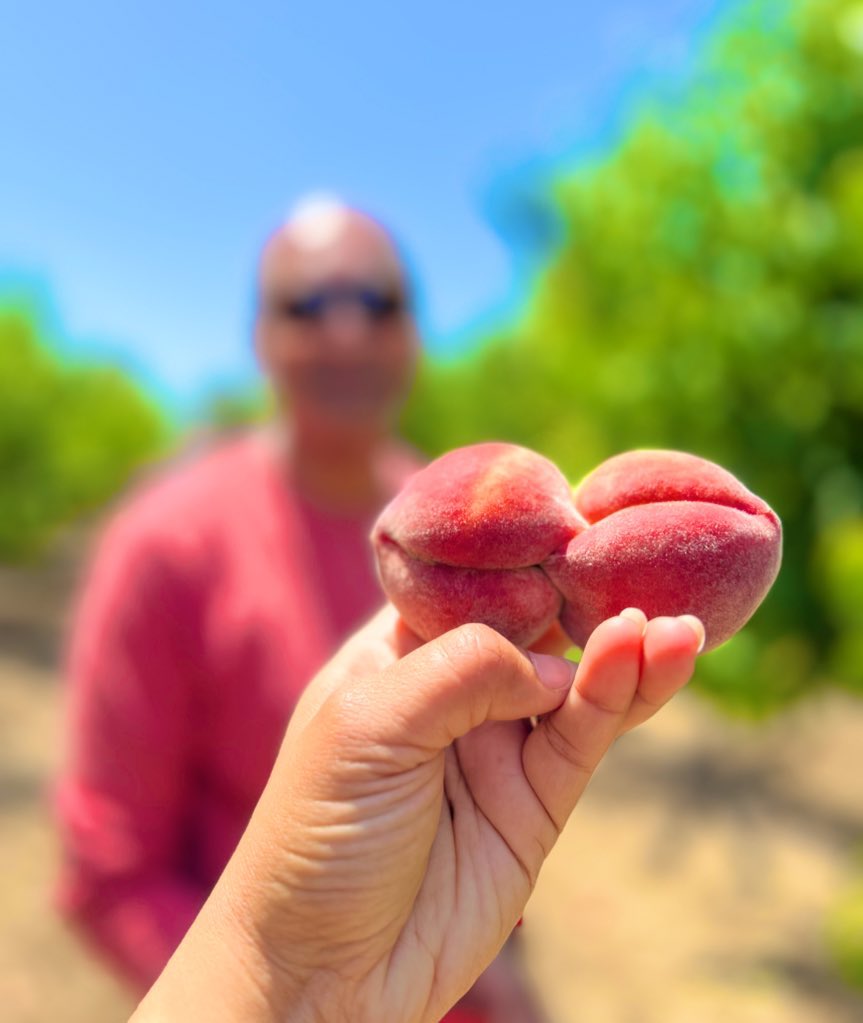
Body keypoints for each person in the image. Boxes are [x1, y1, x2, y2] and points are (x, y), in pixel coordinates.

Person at [56, 197, 546, 1020]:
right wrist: (283, 999)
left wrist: (516, 983)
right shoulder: (168, 544)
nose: (346, 332)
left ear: (414, 334)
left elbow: (485, 801)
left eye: (378, 303)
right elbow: (113, 875)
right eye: (308, 305)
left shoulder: (475, 524)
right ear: (259, 338)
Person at [130, 605, 704, 1022]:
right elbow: (114, 867)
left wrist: (306, 984)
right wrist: (297, 975)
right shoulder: (180, 534)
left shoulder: (412, 485)